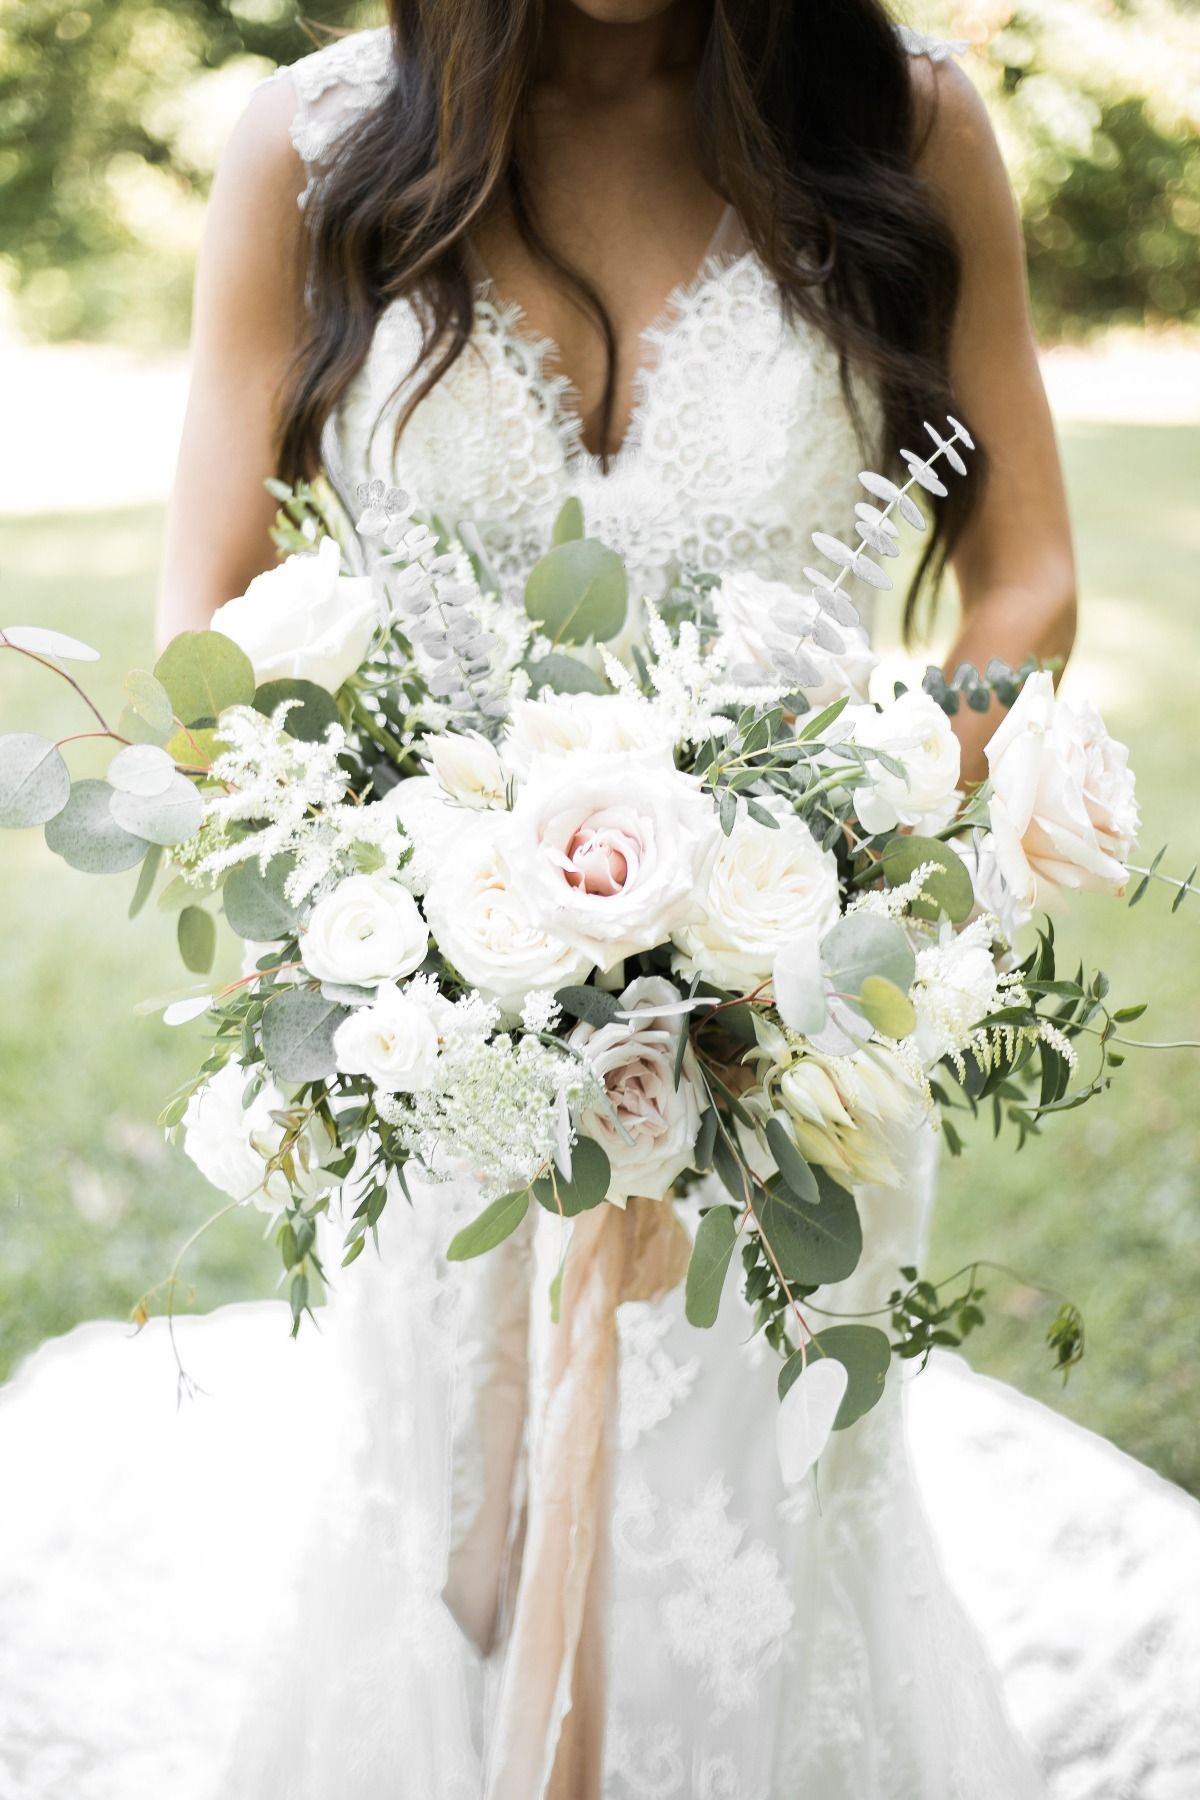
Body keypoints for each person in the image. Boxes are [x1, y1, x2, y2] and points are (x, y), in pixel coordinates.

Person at [3, 6, 1198, 1799]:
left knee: (759, 1506)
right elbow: (217, 621)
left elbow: (1020, 578)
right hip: (437, 1015)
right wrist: (401, 903)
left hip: (782, 1025)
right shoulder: (308, 148)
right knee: (450, 1520)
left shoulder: (907, 120)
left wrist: (828, 863)